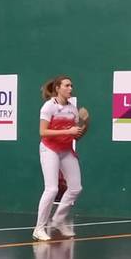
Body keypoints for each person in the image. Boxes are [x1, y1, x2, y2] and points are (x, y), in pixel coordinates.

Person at [33, 75, 86, 241]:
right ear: (58, 88)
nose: (70, 88)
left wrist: (85, 123)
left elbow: (77, 134)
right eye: (67, 85)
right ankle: (38, 229)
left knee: (76, 188)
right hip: (49, 149)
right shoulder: (48, 107)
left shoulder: (72, 109)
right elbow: (43, 132)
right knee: (52, 189)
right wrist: (68, 131)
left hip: (66, 150)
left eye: (71, 86)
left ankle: (58, 220)